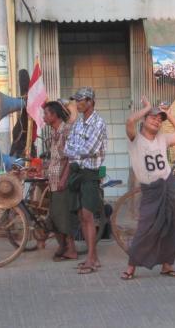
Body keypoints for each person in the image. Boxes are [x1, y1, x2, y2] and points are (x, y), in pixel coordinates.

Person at [120, 98, 175, 280]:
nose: (157, 121)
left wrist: (169, 114)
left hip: (168, 184)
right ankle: (131, 266)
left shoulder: (162, 139)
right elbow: (129, 122)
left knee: (174, 224)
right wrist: (148, 108)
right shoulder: (134, 139)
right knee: (146, 227)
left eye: (160, 119)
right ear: (144, 119)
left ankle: (167, 265)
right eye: (153, 118)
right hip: (151, 189)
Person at [64, 87, 108, 274]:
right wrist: (77, 150)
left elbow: (89, 149)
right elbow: (67, 148)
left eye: (81, 100)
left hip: (90, 173)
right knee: (81, 216)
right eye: (77, 100)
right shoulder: (78, 123)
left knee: (88, 215)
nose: (78, 104)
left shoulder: (99, 123)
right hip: (77, 172)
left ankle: (91, 258)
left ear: (90, 101)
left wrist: (76, 150)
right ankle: (94, 257)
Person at [43, 101, 77, 261]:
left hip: (62, 182)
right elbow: (56, 158)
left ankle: (71, 250)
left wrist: (64, 179)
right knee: (54, 217)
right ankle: (62, 246)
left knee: (62, 217)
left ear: (55, 115)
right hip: (54, 181)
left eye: (46, 114)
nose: (44, 117)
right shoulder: (54, 133)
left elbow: (70, 158)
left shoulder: (66, 131)